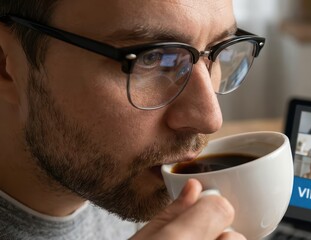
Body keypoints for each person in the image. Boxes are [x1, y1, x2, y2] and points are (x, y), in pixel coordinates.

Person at [0, 1, 265, 239]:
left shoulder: (112, 180)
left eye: (216, 51)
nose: (210, 119)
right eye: (152, 58)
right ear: (5, 63)